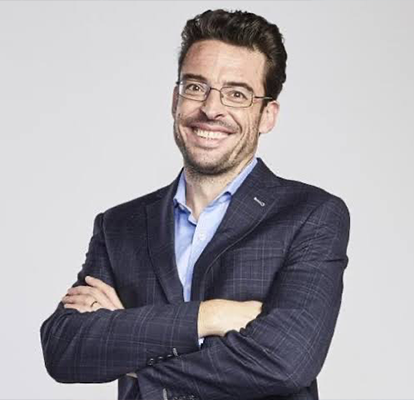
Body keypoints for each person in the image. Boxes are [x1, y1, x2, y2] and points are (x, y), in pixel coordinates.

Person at [41, 9, 350, 400]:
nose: (211, 109)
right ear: (175, 99)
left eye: (237, 94)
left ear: (267, 115)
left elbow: (286, 362)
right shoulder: (120, 226)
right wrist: (212, 316)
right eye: (195, 87)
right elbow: (64, 347)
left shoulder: (311, 215)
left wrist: (132, 350)